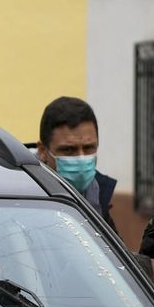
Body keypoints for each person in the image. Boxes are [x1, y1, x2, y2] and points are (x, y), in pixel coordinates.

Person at [36, 96, 115, 227]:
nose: (81, 158)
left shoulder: (100, 195)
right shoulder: (24, 198)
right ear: (43, 151)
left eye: (88, 148)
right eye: (68, 149)